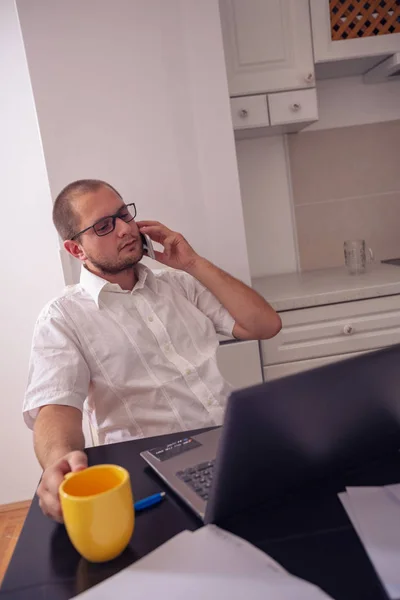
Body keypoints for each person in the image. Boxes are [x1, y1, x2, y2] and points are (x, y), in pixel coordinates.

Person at [23, 179, 281, 521]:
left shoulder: (181, 285)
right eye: (103, 226)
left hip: (234, 444)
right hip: (148, 473)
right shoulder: (62, 317)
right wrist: (59, 461)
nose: (124, 229)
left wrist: (192, 262)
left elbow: (265, 325)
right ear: (77, 250)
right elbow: (56, 408)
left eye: (122, 215)